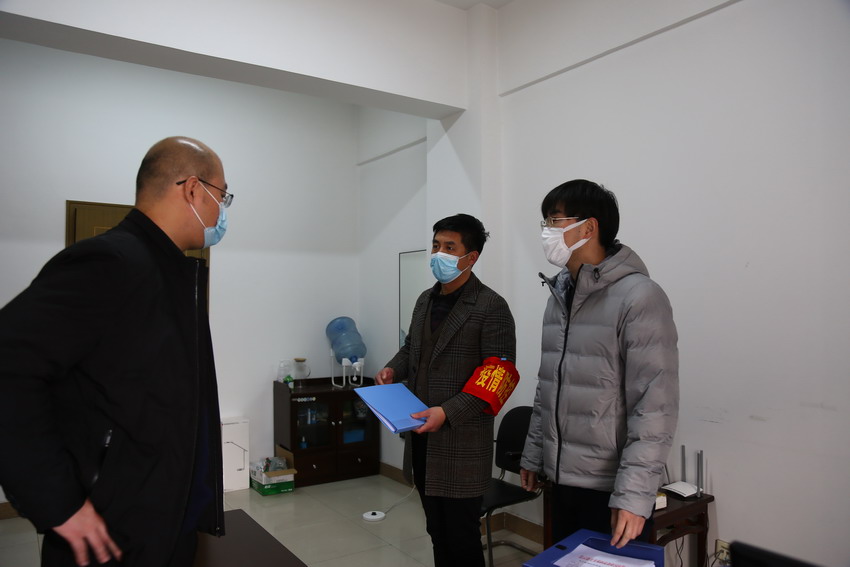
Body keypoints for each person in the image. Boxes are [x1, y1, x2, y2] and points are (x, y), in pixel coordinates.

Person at [0, 136, 231, 566]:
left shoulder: (174, 272)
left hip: (166, 522)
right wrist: (58, 502)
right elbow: (9, 368)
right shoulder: (111, 262)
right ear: (193, 190)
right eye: (222, 195)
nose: (222, 211)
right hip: (115, 532)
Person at [519, 179, 678, 549]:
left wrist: (633, 496)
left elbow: (654, 406)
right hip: (561, 482)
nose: (546, 231)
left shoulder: (639, 297)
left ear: (588, 227)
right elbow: (548, 387)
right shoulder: (559, 295)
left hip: (610, 490)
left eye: (554, 220)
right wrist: (534, 454)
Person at [375, 214, 516, 567]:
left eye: (450, 248)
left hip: (460, 444)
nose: (440, 254)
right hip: (421, 436)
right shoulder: (425, 300)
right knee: (436, 530)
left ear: (471, 257)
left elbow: (498, 376)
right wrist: (393, 368)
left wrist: (447, 412)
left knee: (462, 538)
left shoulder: (491, 306)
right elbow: (412, 347)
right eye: (436, 245)